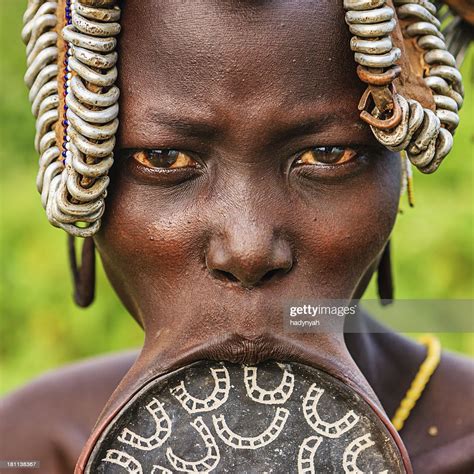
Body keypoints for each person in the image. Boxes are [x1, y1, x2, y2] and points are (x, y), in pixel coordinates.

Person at [1, 0, 473, 473]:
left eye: (328, 154)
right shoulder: (22, 448)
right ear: (82, 177)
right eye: (163, 158)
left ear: (399, 168)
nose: (248, 249)